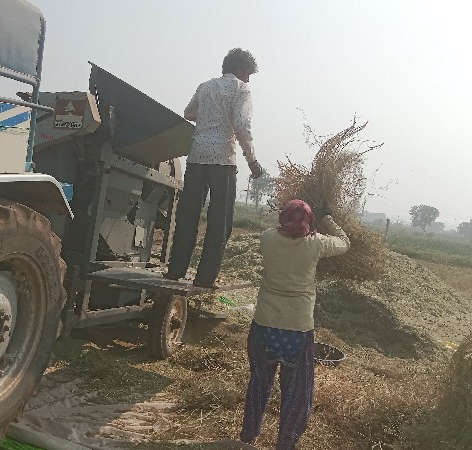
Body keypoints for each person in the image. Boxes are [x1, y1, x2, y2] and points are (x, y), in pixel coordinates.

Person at [239, 199, 349, 449]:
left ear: (283, 218)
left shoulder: (267, 238)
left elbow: (276, 231)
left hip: (265, 326)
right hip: (297, 331)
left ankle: (248, 436)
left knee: (259, 383)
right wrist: (328, 218)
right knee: (296, 392)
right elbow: (345, 242)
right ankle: (286, 443)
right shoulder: (317, 243)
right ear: (308, 221)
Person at [164, 48, 264, 288]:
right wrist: (252, 160)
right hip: (222, 159)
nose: (249, 78)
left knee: (188, 215)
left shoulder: (206, 86)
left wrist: (208, 118)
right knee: (220, 220)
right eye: (248, 73)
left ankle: (175, 270)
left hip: (197, 155)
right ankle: (205, 277)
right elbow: (242, 125)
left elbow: (188, 113)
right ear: (241, 70)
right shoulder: (242, 89)